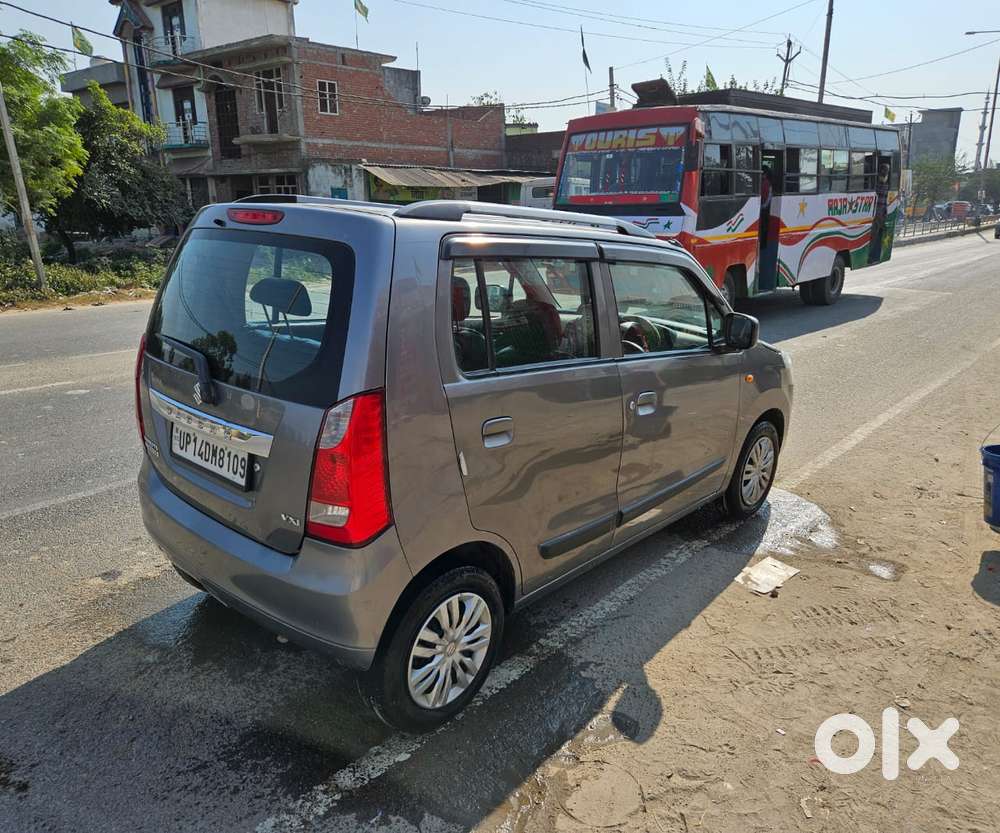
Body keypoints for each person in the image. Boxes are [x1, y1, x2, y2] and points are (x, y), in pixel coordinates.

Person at [869, 163, 890, 263]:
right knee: (874, 236)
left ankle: (874, 256)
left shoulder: (878, 185)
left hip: (879, 214)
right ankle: (872, 256)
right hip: (877, 214)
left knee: (876, 236)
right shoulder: (883, 185)